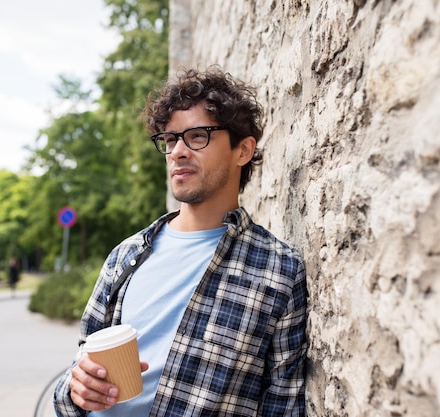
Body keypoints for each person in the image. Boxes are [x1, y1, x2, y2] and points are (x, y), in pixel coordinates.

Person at [54, 67, 308, 417]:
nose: (177, 152)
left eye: (198, 136)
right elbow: (75, 377)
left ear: (243, 150)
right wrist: (76, 388)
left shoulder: (279, 271)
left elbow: (283, 404)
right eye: (171, 140)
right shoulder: (125, 256)